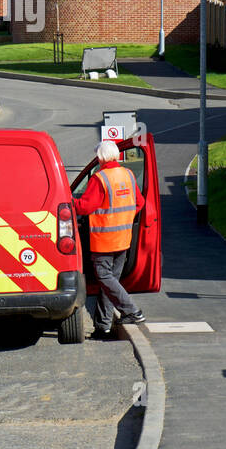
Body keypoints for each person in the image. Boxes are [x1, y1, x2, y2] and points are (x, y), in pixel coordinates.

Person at [73, 139, 146, 339]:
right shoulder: (128, 175)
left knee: (105, 278)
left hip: (104, 240)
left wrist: (69, 201)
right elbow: (139, 202)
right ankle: (102, 327)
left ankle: (132, 311)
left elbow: (85, 207)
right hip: (123, 239)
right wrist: (126, 218)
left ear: (100, 157)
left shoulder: (100, 178)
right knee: (109, 283)